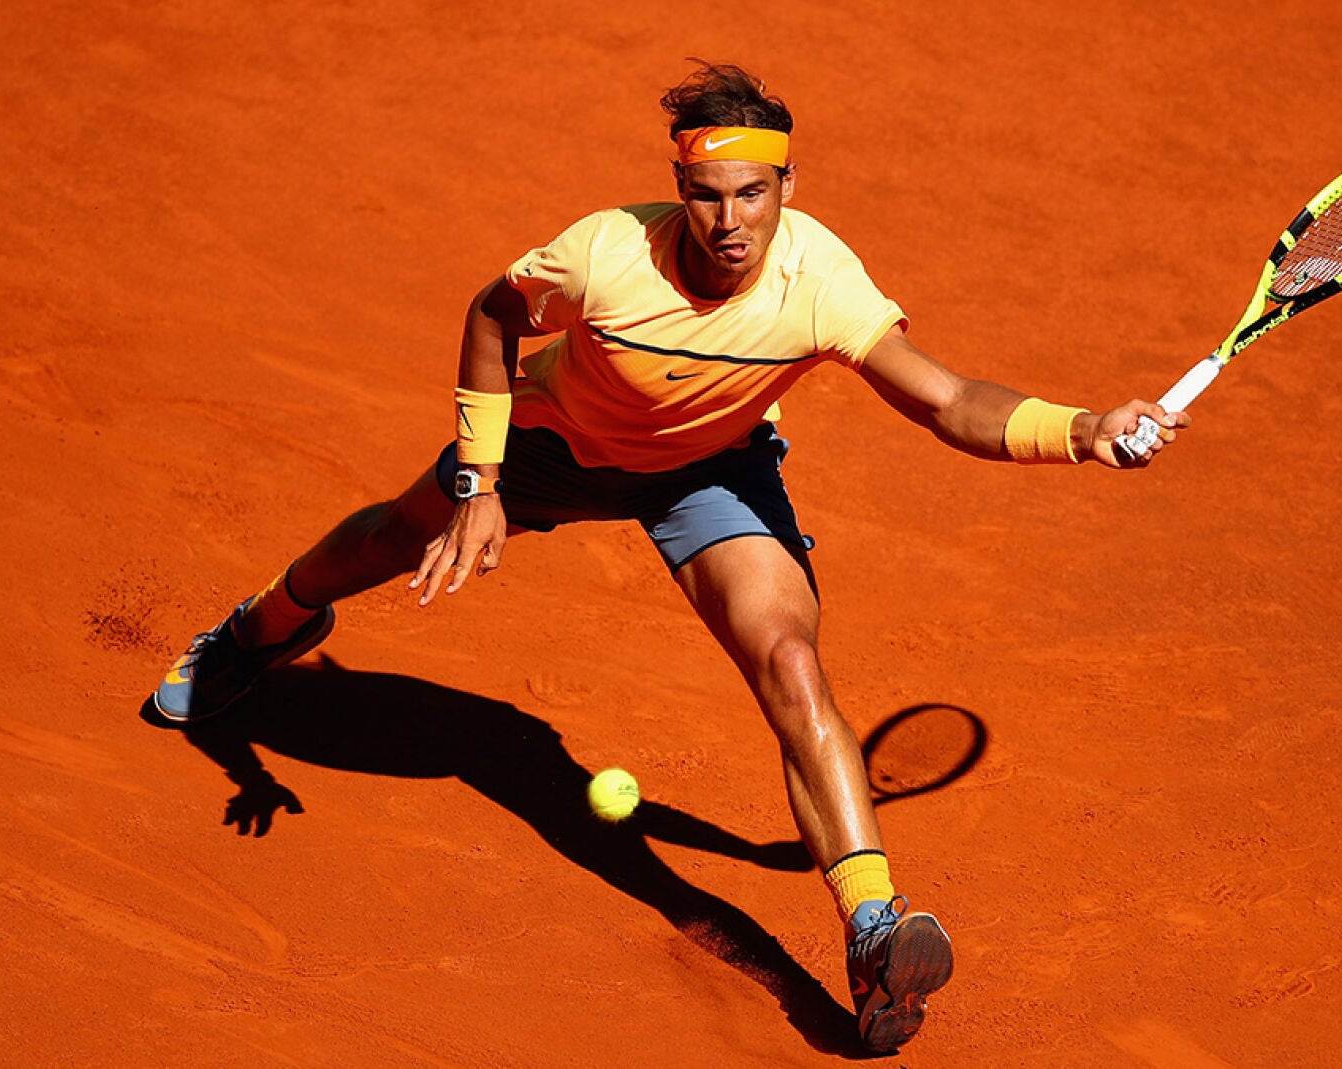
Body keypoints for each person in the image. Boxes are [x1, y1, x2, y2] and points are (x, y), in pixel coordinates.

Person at [152, 61, 1186, 1053]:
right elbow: (492, 314)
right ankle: (258, 631)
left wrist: (1081, 426)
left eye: (753, 193)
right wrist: (477, 481)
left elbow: (947, 399)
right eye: (706, 195)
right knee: (391, 537)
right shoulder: (605, 253)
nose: (730, 222)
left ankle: (872, 928)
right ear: (678, 188)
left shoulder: (817, 277)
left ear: (789, 185)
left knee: (787, 658)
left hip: (707, 475)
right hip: (552, 447)